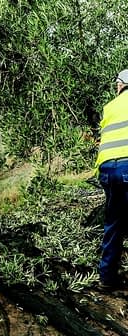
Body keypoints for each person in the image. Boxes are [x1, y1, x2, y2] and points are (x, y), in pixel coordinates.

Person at [95, 69, 128, 289]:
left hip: (107, 169)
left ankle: (106, 277)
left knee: (114, 222)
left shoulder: (109, 107)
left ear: (121, 84)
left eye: (117, 83)